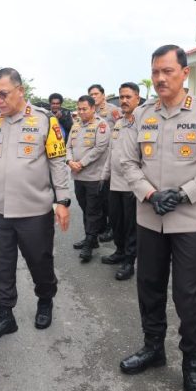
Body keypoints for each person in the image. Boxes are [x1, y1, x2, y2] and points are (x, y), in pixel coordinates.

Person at [120, 44, 196, 391]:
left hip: (190, 221)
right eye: (155, 72)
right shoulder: (141, 115)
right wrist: (150, 195)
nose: (160, 79)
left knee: (189, 294)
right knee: (149, 286)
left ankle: (193, 366)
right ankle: (153, 348)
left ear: (185, 73)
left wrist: (183, 194)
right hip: (150, 217)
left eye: (168, 71)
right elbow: (126, 162)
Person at [0, 68, 71, 342]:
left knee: (40, 263)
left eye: (3, 94)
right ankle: (4, 316)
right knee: (0, 266)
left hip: (34, 211)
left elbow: (58, 162)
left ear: (20, 91)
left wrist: (62, 201)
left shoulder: (45, 120)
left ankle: (45, 299)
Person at [99, 82, 139, 280]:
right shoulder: (119, 123)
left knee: (131, 225)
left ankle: (129, 261)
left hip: (132, 185)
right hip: (114, 183)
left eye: (128, 97)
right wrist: (104, 175)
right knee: (116, 222)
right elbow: (111, 152)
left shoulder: (142, 122)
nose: (123, 100)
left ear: (137, 99)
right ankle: (120, 251)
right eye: (122, 97)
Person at [67, 95, 110, 262]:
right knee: (85, 208)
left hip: (93, 176)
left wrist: (81, 163)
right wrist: (70, 161)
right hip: (78, 176)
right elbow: (68, 146)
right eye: (79, 109)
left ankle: (90, 243)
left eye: (84, 109)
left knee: (93, 210)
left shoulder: (101, 125)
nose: (81, 112)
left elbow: (100, 149)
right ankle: (90, 238)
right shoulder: (76, 125)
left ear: (93, 108)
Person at [88, 84, 119, 243]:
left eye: (96, 94)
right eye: (91, 94)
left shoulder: (113, 110)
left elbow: (122, 127)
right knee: (98, 195)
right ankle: (99, 226)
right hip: (95, 160)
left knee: (108, 196)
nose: (93, 96)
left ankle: (111, 228)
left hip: (109, 157)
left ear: (103, 95)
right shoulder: (89, 111)